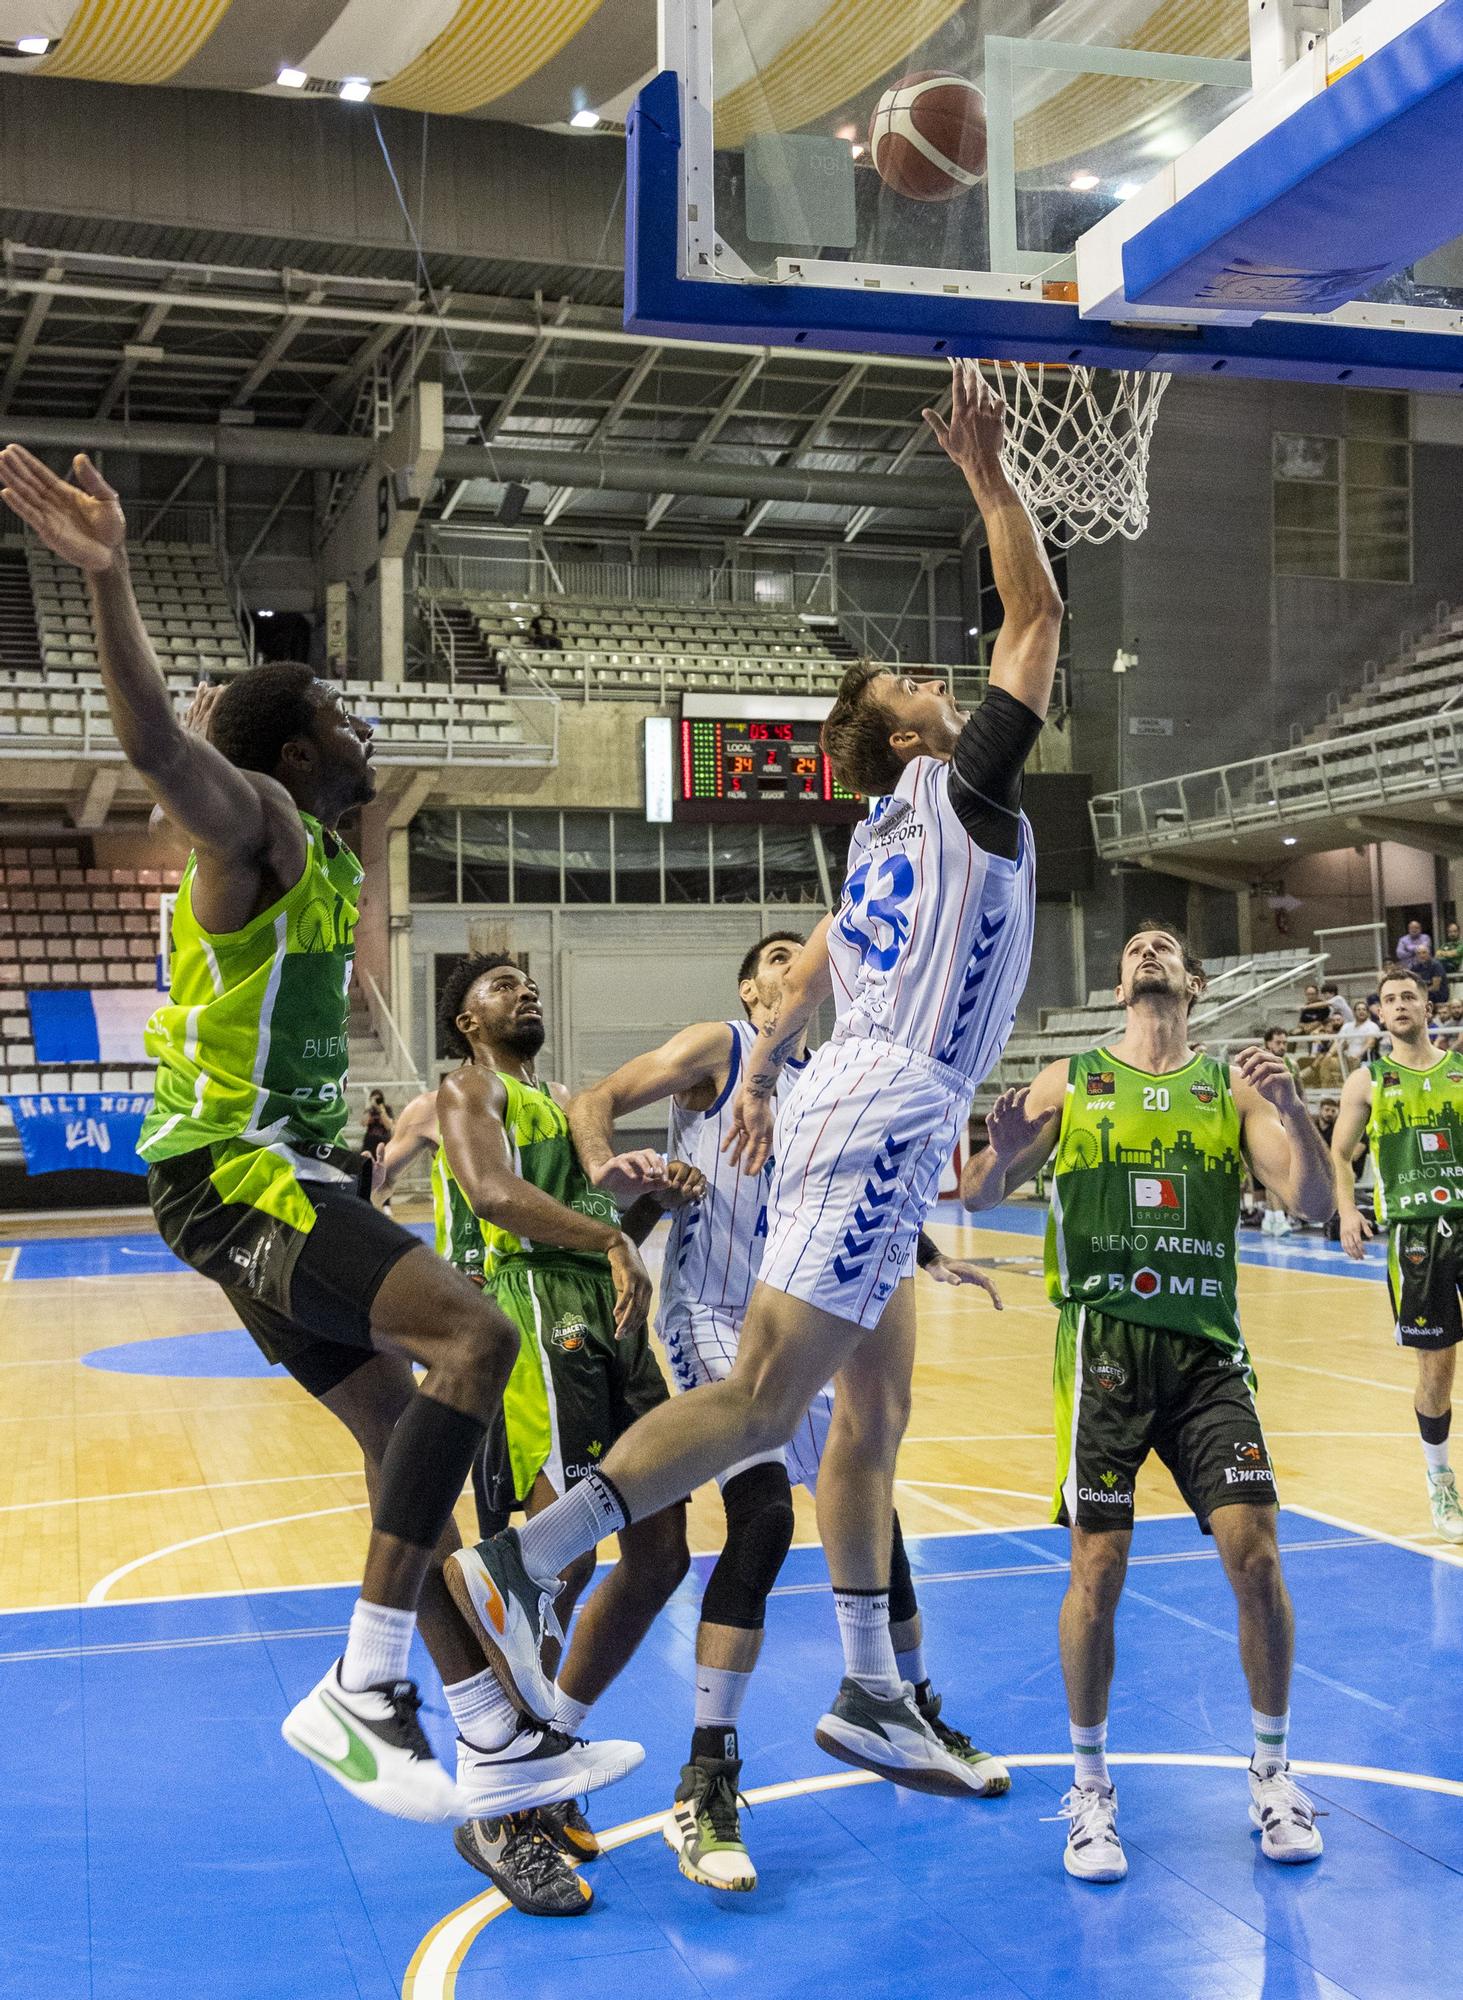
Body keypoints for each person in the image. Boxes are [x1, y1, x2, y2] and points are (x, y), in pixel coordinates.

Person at [0, 441, 637, 1830]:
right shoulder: (267, 826)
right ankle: (359, 1682)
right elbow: (165, 747)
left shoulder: (329, 854)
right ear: (296, 754)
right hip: (230, 1176)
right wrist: (110, 579)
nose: (361, 728)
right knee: (477, 1341)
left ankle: (490, 1732)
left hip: (260, 1179)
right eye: (340, 714)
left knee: (402, 1426)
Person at [444, 362, 1060, 1800]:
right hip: (886, 1100)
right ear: (913, 739)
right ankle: (522, 1564)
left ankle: (867, 1685)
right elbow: (1034, 616)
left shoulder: (874, 842)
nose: (937, 683)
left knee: (875, 1409)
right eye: (919, 688)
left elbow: (832, 955)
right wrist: (981, 473)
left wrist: (766, 1073)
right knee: (766, 1410)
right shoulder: (958, 789)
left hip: (862, 1101)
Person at [567, 929, 1009, 1892]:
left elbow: (862, 1198)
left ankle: (907, 1706)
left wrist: (930, 1257)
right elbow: (591, 1098)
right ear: (747, 986)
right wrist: (608, 1171)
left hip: (791, 1311)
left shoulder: (832, 1081)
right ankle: (707, 1778)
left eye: (793, 958)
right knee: (763, 1517)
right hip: (712, 1315)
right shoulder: (719, 1050)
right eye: (770, 957)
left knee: (869, 1501)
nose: (785, 969)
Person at [963, 924, 1334, 1882]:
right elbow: (977, 1191)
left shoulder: (1232, 1084)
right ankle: (1089, 1790)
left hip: (1206, 1352)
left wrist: (1296, 1117)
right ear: (1120, 982)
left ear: (1193, 983)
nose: (1147, 950)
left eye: (1165, 943)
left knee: (1253, 1554)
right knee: (1098, 1564)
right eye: (1134, 945)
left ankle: (1271, 1771)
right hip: (1102, 1353)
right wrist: (1001, 1155)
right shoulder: (1070, 1079)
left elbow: (1316, 1205)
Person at [432, 952, 698, 1913]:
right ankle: (500, 1809)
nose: (522, 991)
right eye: (499, 987)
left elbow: (586, 1218)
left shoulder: (554, 1101)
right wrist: (612, 1238)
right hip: (531, 1312)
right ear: (466, 1022)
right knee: (542, 1564)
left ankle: (556, 1753)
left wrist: (646, 1203)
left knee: (660, 1548)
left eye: (527, 982)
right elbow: (498, 1200)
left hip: (602, 1317)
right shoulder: (471, 1088)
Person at [1330, 964, 1463, 1544]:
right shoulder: (1367, 1081)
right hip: (1413, 1236)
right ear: (1379, 1014)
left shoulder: (1459, 1071)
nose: (1401, 1005)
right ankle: (1441, 1482)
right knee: (1438, 1366)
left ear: (1428, 1006)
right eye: (1390, 999)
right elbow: (1340, 1152)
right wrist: (1348, 1210)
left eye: (1410, 995)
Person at [1337, 997, 1383, 1070]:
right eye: (1358, 1009)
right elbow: (1340, 1042)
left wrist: (1357, 1056)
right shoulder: (1347, 1026)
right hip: (1345, 1058)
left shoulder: (1372, 1026)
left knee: (1356, 1063)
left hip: (1363, 1059)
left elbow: (1370, 1043)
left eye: (1364, 1009)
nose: (1361, 1011)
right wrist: (1330, 1055)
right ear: (1354, 1012)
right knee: (1327, 1062)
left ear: (1368, 1013)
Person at [1414, 944, 1449, 1013]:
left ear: (1429, 954)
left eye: (1424, 953)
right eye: (1419, 953)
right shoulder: (1416, 966)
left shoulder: (1436, 965)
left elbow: (1435, 987)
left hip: (1438, 996)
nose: (1421, 955)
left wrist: (1419, 991)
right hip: (1425, 994)